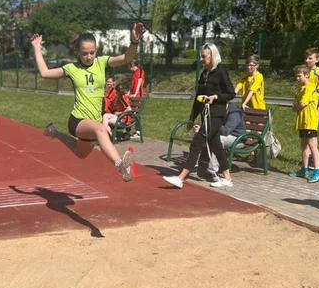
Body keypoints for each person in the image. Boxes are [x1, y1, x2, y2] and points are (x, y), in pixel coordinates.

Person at [32, 23, 146, 182]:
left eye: (92, 52)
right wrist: (37, 47)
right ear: (77, 52)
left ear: (96, 50)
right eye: (84, 53)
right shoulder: (72, 68)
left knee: (80, 154)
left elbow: (127, 58)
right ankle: (120, 166)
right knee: (100, 129)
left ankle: (55, 132)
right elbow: (44, 73)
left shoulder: (102, 63)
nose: (89, 57)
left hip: (93, 122)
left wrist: (134, 42)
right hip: (78, 120)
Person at [163, 43, 236, 190]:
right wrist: (192, 118)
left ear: (212, 56)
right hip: (206, 114)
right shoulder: (204, 74)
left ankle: (181, 177)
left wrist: (215, 97)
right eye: (200, 56)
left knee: (197, 142)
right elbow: (198, 97)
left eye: (204, 56)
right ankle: (227, 178)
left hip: (216, 114)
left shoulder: (221, 72)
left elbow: (231, 93)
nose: (201, 59)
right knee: (216, 145)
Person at [196, 102, 246, 181]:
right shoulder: (220, 112)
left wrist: (214, 122)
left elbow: (225, 131)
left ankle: (212, 172)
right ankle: (202, 168)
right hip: (224, 135)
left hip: (237, 138)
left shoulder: (234, 114)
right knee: (205, 138)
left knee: (217, 141)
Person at [290, 65, 319, 183]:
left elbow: (302, 103)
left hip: (310, 120)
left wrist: (296, 107)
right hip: (302, 120)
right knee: (304, 145)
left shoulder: (310, 87)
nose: (297, 78)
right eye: (296, 76)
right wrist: (296, 106)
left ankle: (317, 171)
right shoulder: (301, 88)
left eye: (299, 76)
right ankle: (304, 168)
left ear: (306, 75)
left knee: (312, 145)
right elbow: (295, 103)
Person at [303, 47, 319, 169]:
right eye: (306, 58)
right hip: (303, 109)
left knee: (312, 135)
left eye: (310, 58)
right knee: (304, 136)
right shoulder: (304, 72)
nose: (307, 60)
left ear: (317, 59)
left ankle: (313, 161)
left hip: (312, 108)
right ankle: (305, 164)